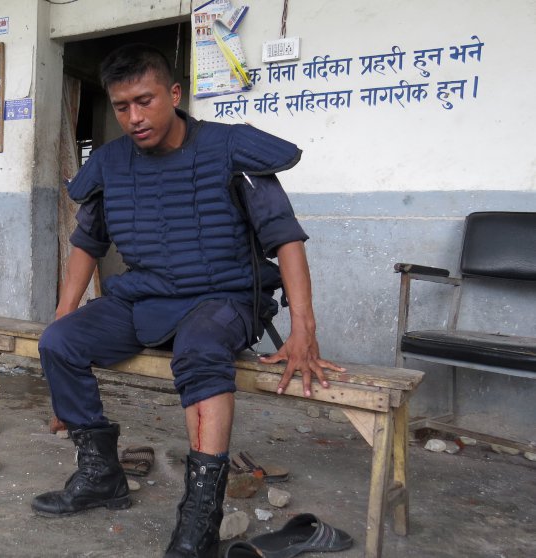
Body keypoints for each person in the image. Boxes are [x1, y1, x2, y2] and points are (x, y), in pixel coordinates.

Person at [30, 44, 344, 558]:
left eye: (145, 101)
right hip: (146, 298)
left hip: (224, 300)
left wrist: (304, 331)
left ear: (174, 94)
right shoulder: (109, 163)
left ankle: (200, 517)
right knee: (59, 341)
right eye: (122, 106)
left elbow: (285, 239)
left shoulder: (230, 148)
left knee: (198, 349)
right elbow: (87, 243)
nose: (134, 117)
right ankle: (100, 475)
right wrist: (64, 313)